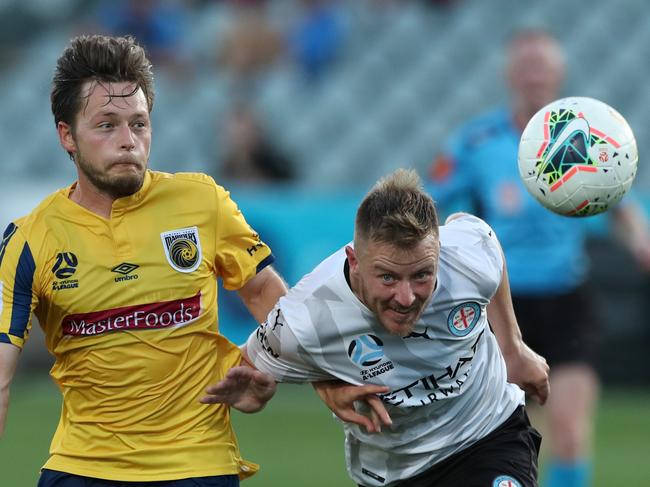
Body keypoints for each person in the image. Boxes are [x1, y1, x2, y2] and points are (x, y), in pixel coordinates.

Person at [0, 34, 287, 486]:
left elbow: (263, 291)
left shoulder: (201, 201)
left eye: (139, 123)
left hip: (198, 464)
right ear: (66, 135)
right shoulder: (31, 240)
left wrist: (275, 368)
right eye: (107, 125)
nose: (128, 141)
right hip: (82, 467)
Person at [203, 169, 550, 486]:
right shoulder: (307, 316)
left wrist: (512, 348)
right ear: (355, 261)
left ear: (439, 252)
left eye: (422, 275)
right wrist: (260, 393)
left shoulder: (466, 257)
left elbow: (486, 239)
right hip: (394, 473)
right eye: (388, 277)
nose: (406, 296)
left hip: (489, 433)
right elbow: (251, 375)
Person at [427, 30, 650, 487]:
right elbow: (430, 203)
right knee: (497, 439)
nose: (535, 75)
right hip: (497, 305)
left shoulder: (588, 136)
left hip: (566, 297)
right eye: (526, 66)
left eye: (543, 66)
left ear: (558, 74)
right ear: (510, 75)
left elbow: (621, 206)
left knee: (568, 429)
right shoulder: (477, 141)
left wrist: (642, 244)